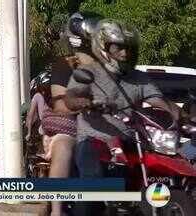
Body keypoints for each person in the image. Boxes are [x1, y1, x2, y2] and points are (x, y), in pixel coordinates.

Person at [65, 19, 180, 216]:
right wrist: (86, 103)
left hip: (130, 140)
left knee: (158, 172)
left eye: (129, 49)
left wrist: (177, 113)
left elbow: (158, 101)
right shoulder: (88, 72)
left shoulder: (139, 78)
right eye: (118, 47)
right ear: (103, 46)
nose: (125, 54)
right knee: (93, 181)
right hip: (95, 139)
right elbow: (71, 99)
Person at [41, 12, 101, 216]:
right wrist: (87, 104)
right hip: (70, 126)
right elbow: (60, 104)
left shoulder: (108, 67)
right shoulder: (64, 64)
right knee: (64, 147)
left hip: (104, 126)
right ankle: (57, 211)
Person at [25, 72, 51, 144]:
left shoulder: (37, 96)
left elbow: (30, 116)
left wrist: (29, 133)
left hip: (44, 126)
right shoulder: (51, 95)